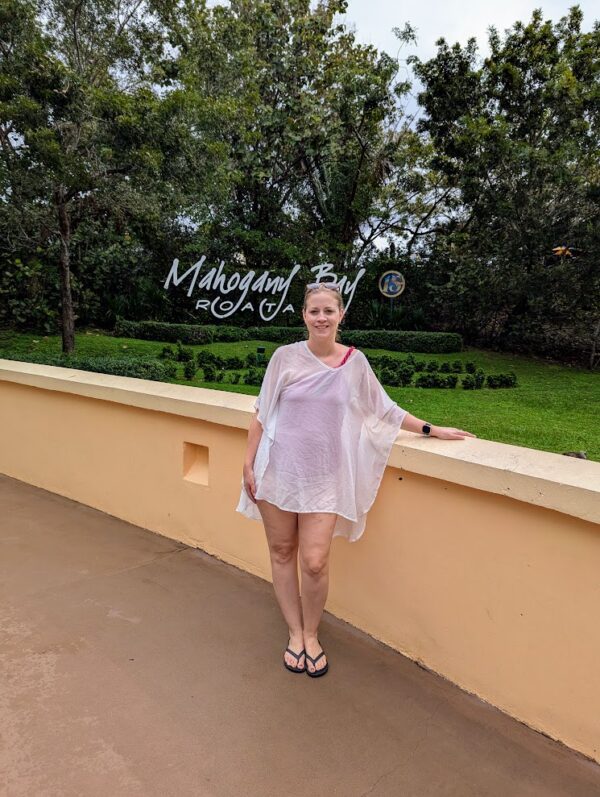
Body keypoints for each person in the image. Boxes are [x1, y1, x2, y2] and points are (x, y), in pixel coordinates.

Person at [236, 282, 476, 677]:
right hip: (277, 472)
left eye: (328, 311)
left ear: (341, 315)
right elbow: (261, 413)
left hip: (325, 479)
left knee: (314, 562)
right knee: (281, 552)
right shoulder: (284, 357)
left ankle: (311, 634)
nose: (321, 318)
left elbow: (385, 410)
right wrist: (248, 464)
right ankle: (294, 633)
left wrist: (432, 429)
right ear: (304, 315)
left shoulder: (354, 363)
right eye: (314, 311)